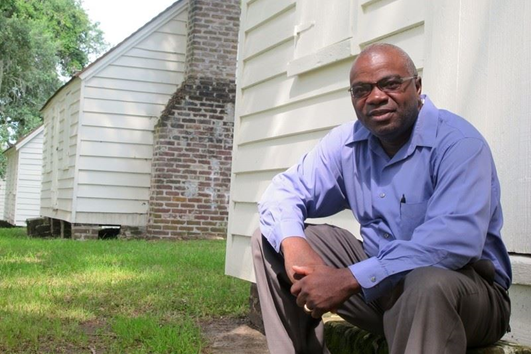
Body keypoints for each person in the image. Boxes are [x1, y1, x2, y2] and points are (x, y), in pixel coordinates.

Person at [252, 43, 511, 354]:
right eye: (362, 89)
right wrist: (294, 245)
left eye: (390, 84)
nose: (375, 97)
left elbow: (450, 243)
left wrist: (348, 279)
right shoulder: (346, 144)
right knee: (271, 239)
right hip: (381, 292)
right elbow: (282, 192)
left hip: (465, 296)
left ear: (417, 86)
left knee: (426, 283)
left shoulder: (459, 144)